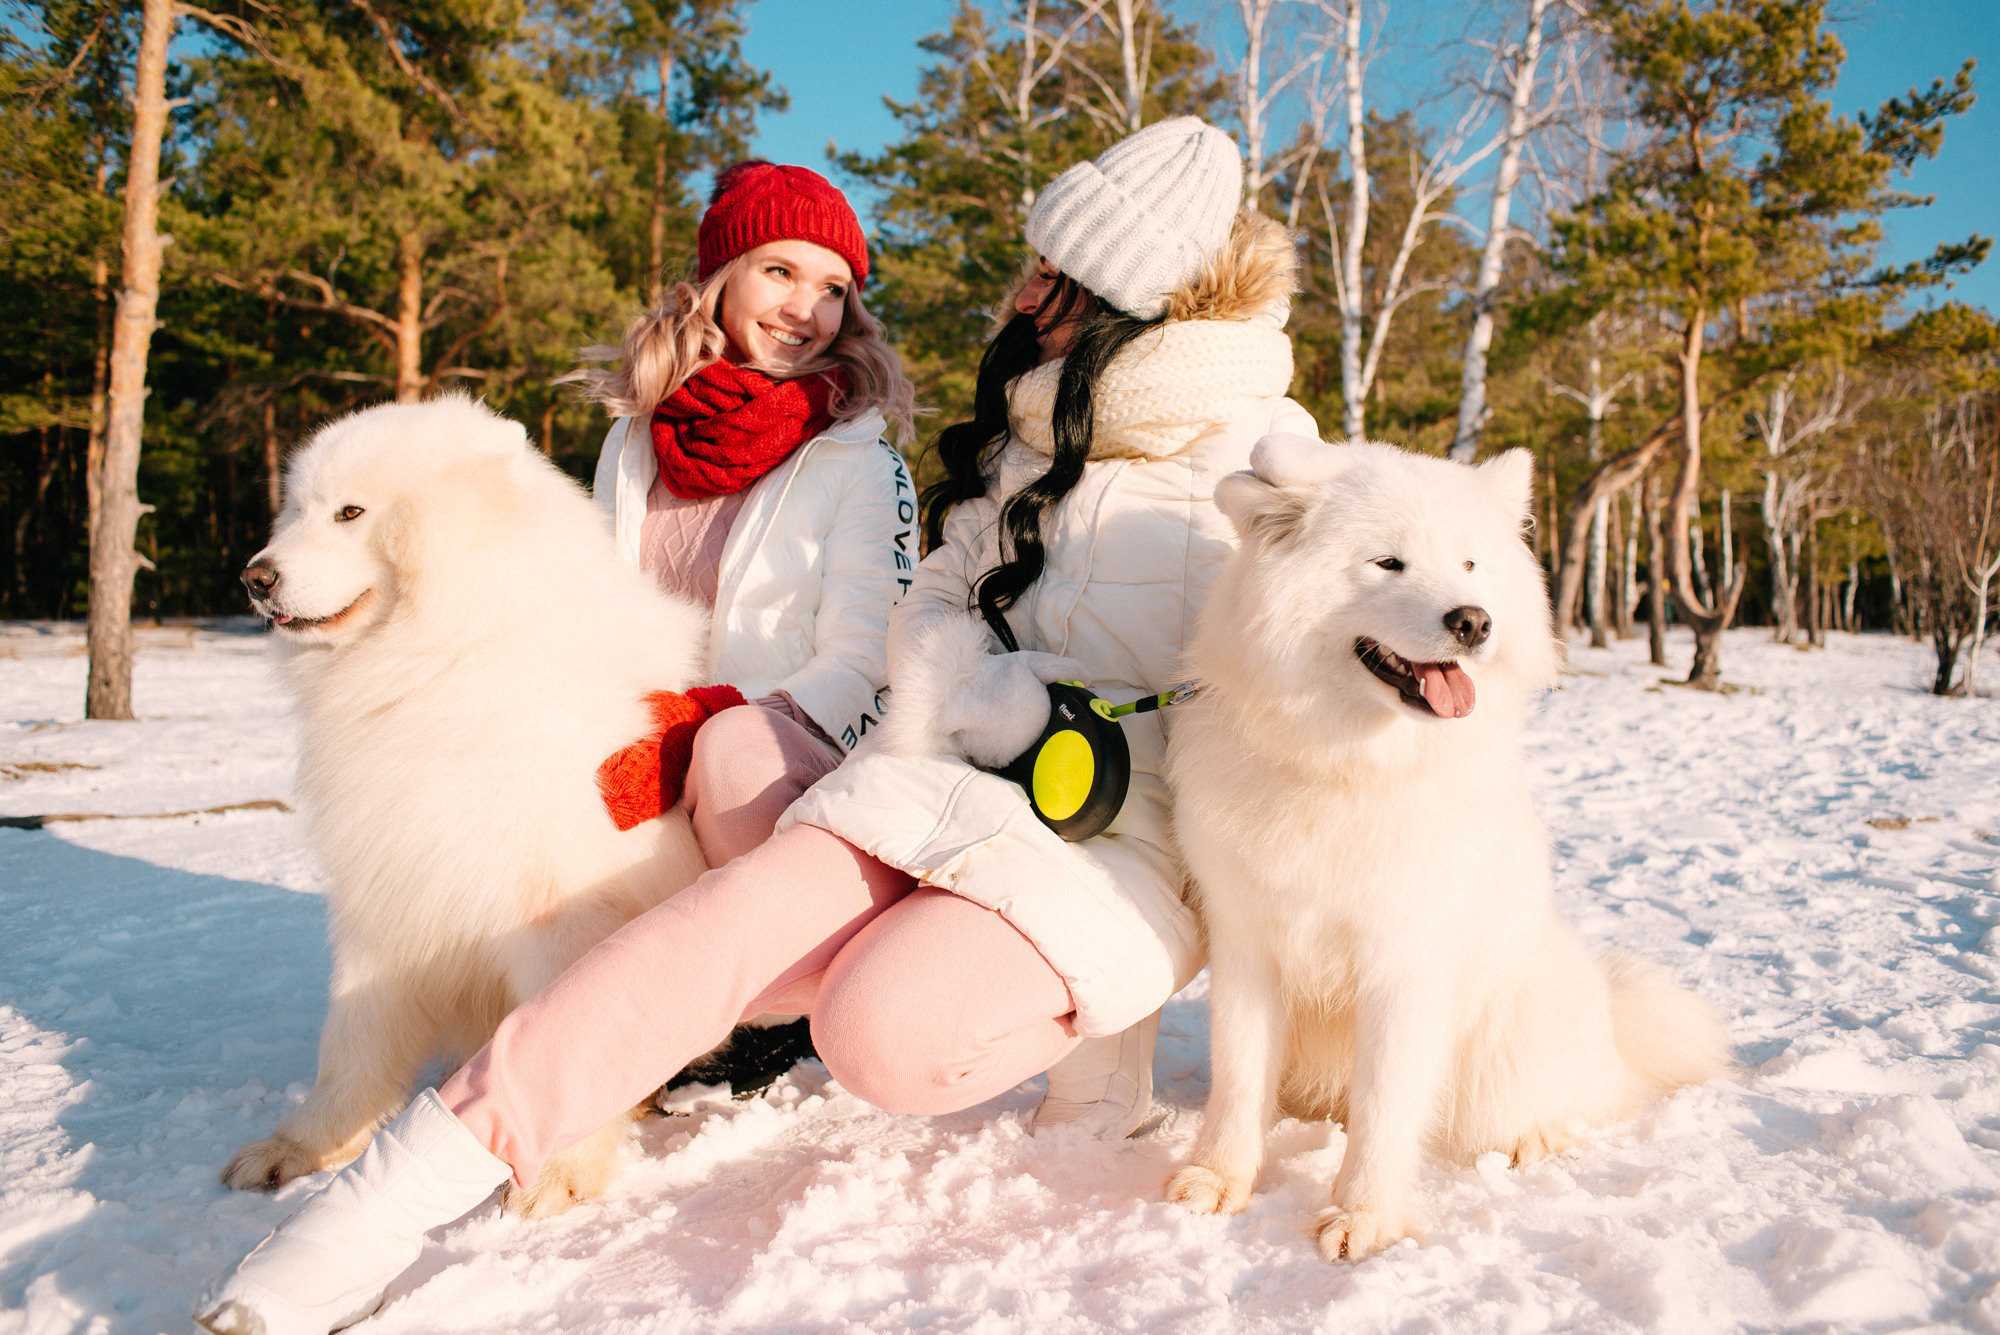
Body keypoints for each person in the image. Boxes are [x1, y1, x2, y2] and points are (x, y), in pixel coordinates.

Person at [193, 117, 1322, 1335]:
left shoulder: (1258, 451)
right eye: (780, 270)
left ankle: (1050, 1040)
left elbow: (1323, 640)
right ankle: (368, 1214)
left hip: (1114, 823)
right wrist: (959, 690)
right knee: (705, 935)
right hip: (943, 776)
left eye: (1043, 272)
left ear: (1103, 297)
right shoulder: (1028, 432)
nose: (1015, 287)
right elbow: (932, 597)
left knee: (878, 1033)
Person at [576, 159, 917, 878]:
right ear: (722, 276)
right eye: (780, 272)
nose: (807, 309)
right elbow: (596, 612)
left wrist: (703, 722)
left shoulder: (859, 459)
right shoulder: (635, 439)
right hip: (636, 752)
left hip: (779, 773)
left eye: (833, 289)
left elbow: (867, 666)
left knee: (733, 763)